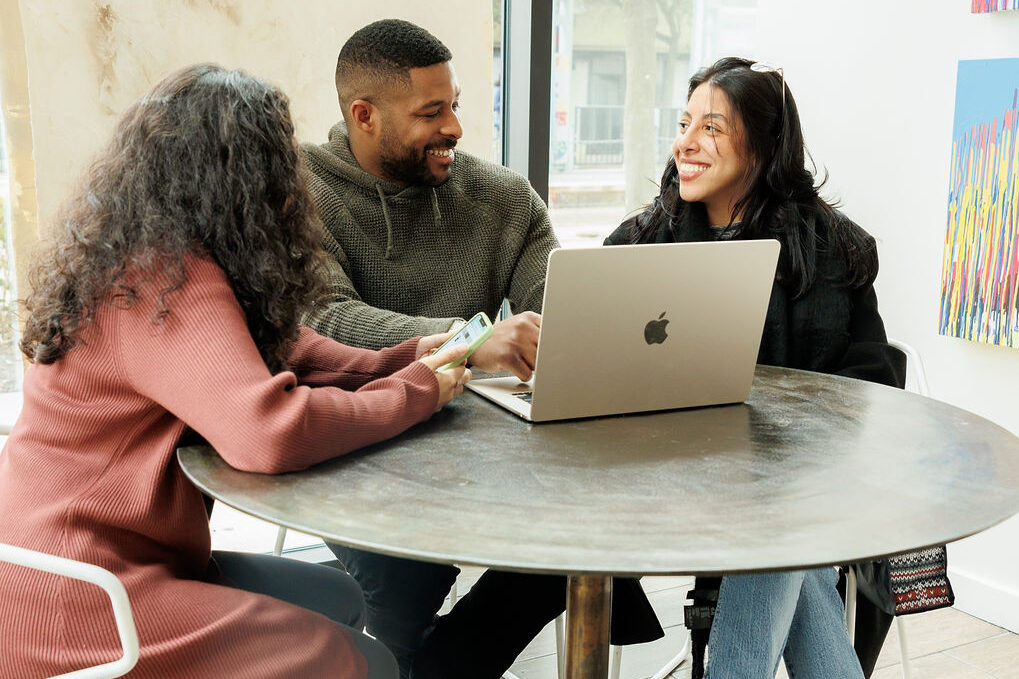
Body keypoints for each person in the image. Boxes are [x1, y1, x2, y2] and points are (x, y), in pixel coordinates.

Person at [0, 63, 474, 679]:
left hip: (67, 558)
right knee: (360, 660)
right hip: (79, 594)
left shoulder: (148, 257)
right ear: (246, 177)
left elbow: (295, 350)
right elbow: (269, 433)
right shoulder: (162, 279)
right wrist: (415, 393)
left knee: (341, 599)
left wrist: (404, 360)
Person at [301, 19, 663, 679]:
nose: (455, 129)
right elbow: (324, 320)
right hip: (350, 443)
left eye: (456, 106)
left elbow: (561, 302)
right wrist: (471, 339)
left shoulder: (499, 199)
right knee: (409, 581)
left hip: (476, 444)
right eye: (430, 112)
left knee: (587, 540)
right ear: (364, 115)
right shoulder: (300, 194)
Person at [605, 57, 907, 678]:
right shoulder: (638, 246)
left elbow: (872, 385)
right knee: (791, 534)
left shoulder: (838, 250)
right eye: (684, 122)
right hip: (671, 484)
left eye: (711, 129)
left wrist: (789, 449)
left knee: (783, 514)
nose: (685, 143)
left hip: (800, 483)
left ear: (767, 147)